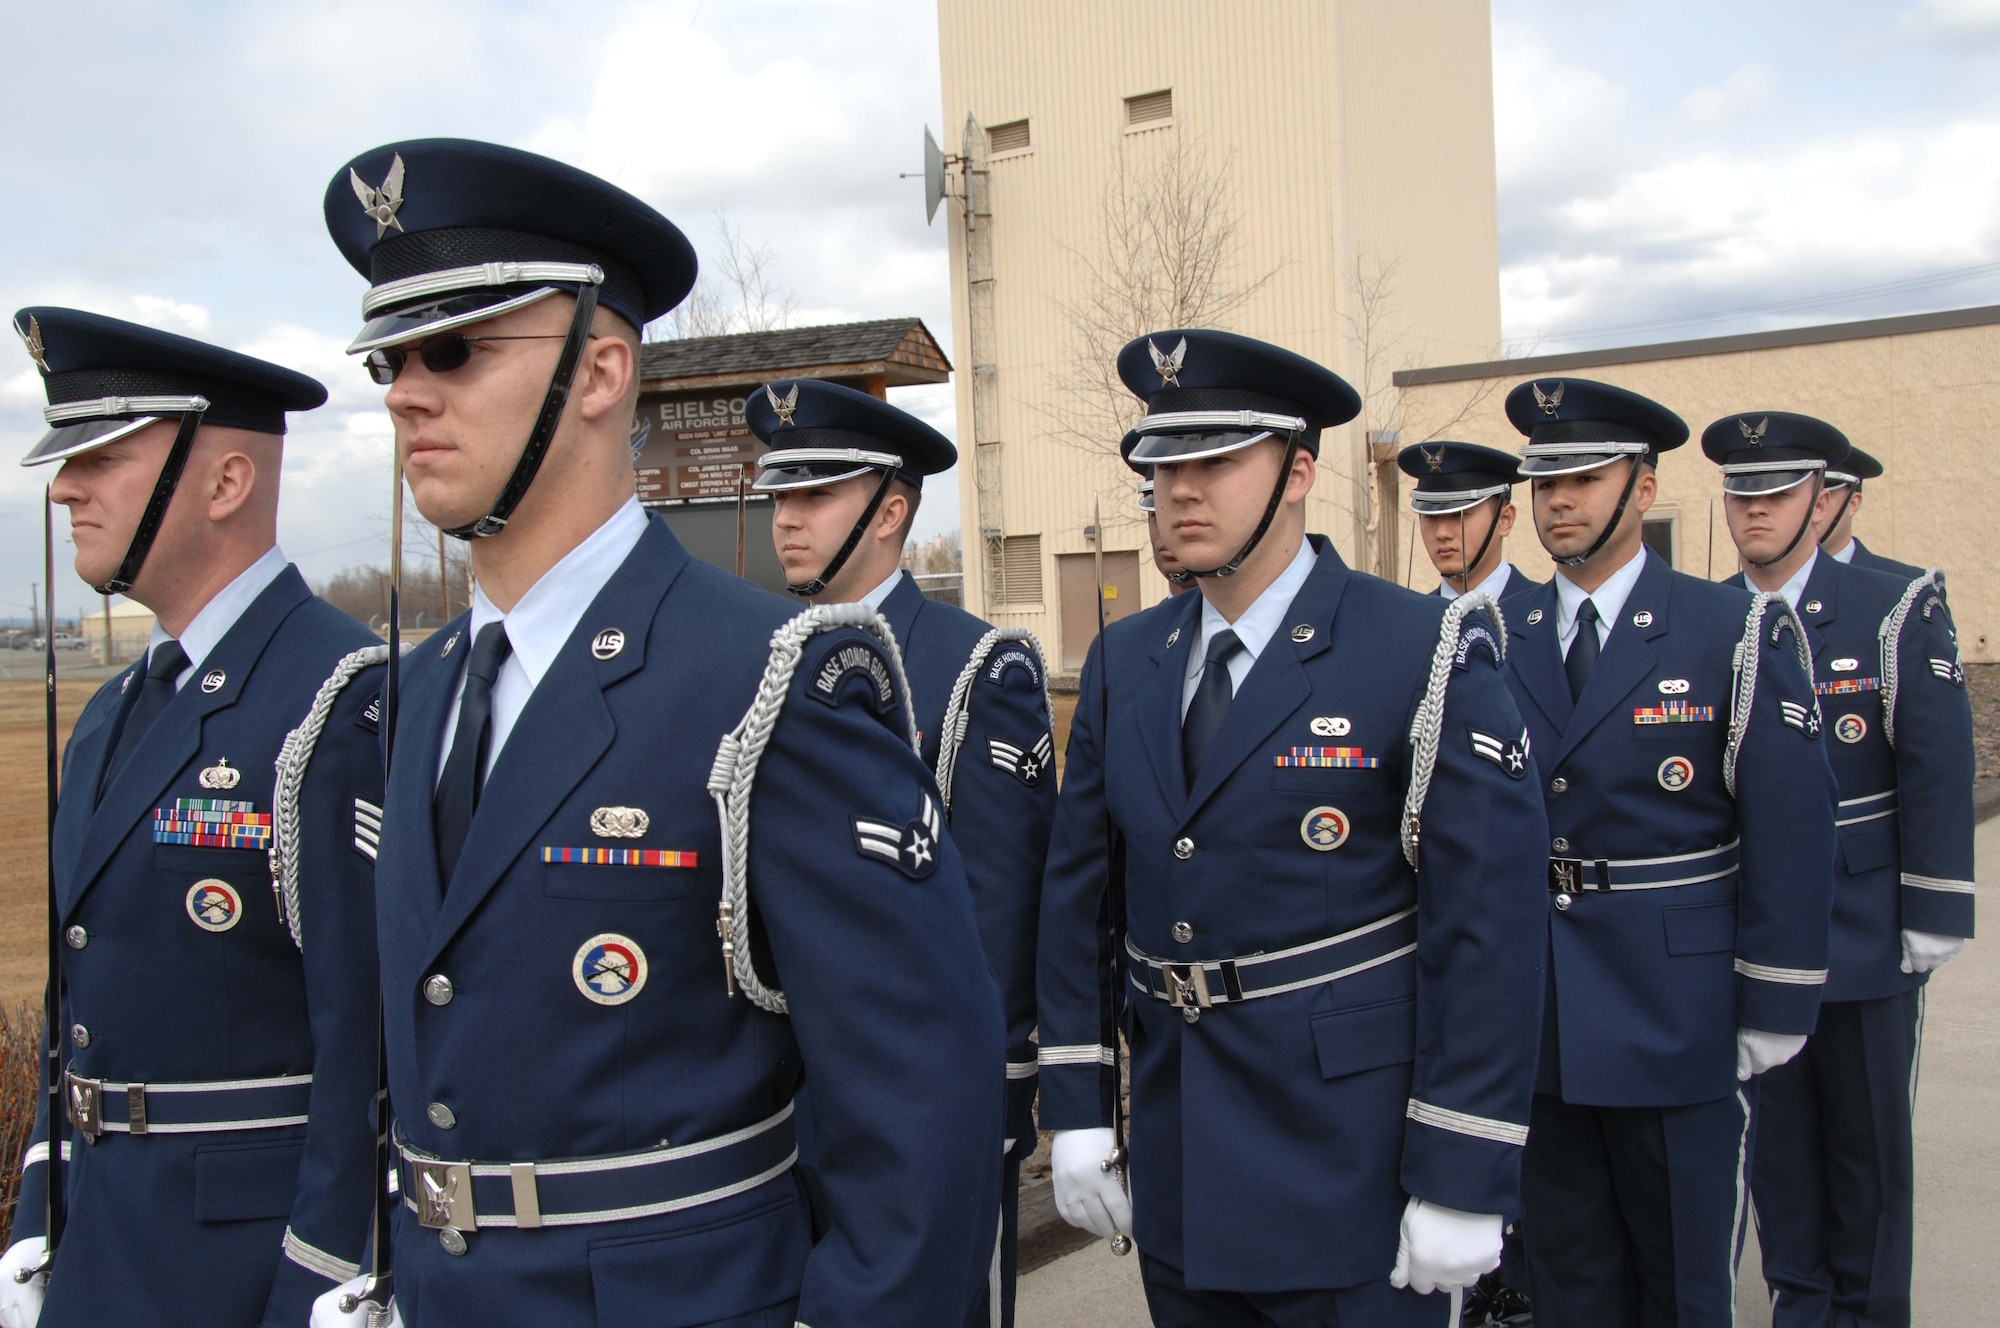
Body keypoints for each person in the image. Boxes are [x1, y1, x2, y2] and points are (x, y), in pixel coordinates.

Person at [308, 137, 1002, 1327]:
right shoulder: (406, 696)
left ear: (599, 371)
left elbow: (919, 1107)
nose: (403, 390)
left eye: (456, 349)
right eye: (391, 356)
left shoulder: (768, 682)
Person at [1038, 328, 1548, 1326]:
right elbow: (1080, 904)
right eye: (1160, 466)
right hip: (1182, 1157)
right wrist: (1075, 1107)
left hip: (1349, 1167)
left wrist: (1462, 1165)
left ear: (1298, 471)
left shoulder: (1417, 650)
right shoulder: (1124, 661)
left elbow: (1484, 929)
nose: (1179, 490)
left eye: (1215, 462)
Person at [0, 309, 385, 1327]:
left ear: (225, 482)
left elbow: (371, 1043)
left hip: (242, 1265)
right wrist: (39, 1207)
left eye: (101, 458)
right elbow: (78, 990)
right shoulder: (116, 711)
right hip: (103, 1242)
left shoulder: (340, 698)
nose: (64, 486)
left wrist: (326, 1274)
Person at [1496, 377, 1838, 1328]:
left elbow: (1791, 825)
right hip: (1543, 1017)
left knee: (1686, 1283)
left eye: (1584, 477)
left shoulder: (1731, 629)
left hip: (1676, 1009)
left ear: (1642, 488)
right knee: (1568, 1281)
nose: (1557, 500)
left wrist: (1776, 994)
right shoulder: (1490, 636)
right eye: (1544, 480)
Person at [752, 377, 1056, 1327]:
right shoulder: (763, 657)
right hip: (776, 1102)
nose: (786, 521)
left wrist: (996, 1102)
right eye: (779, 496)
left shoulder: (975, 665)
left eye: (815, 495)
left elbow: (1000, 907)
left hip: (923, 1101)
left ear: (890, 511)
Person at [1705, 411, 1973, 1328]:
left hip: (1859, 928)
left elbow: (1935, 762)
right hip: (1751, 933)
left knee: (1865, 1152)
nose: (1755, 514)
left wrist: (1932, 906)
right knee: (1777, 1150)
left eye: (1775, 495)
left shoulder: (1890, 607)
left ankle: (1868, 1311)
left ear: (1822, 500)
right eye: (1741, 496)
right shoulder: (1709, 620)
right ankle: (1802, 1307)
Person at [1396, 440, 1542, 605]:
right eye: (1431, 516)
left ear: (1504, 520)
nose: (1442, 533)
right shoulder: (1412, 621)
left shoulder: (1548, 614)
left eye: (1459, 515)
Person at [1818, 446, 1926, 580]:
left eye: (1823, 497)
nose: (1812, 508)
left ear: (1853, 504)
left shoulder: (1910, 584)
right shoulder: (1784, 579)